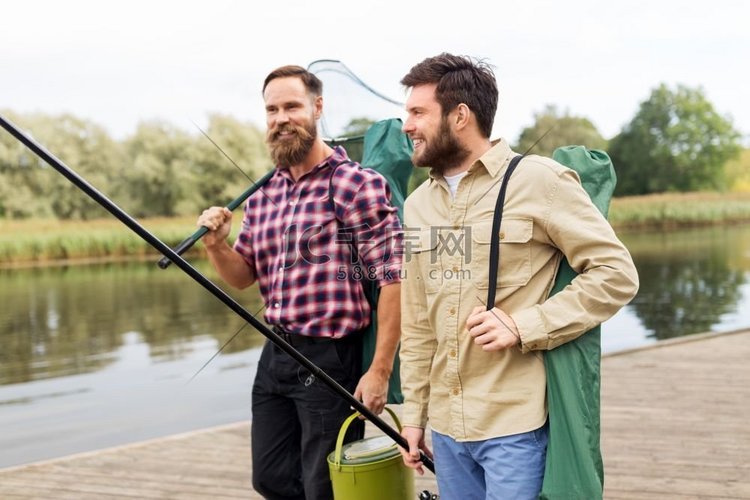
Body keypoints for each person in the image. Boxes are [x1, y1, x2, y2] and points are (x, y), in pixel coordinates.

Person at [397, 53, 639, 499]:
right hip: (447, 433)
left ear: (461, 115)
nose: (406, 125)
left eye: (417, 112)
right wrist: (415, 414)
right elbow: (416, 322)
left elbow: (616, 273)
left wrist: (523, 325)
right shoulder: (416, 208)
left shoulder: (540, 181)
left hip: (516, 427)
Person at [197, 65, 402, 500]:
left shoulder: (356, 185)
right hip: (276, 351)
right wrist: (217, 244)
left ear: (317, 108)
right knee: (269, 478)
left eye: (292, 106)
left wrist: (379, 371)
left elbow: (394, 277)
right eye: (272, 109)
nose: (280, 118)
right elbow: (243, 276)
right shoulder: (263, 194)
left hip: (331, 357)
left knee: (323, 486)